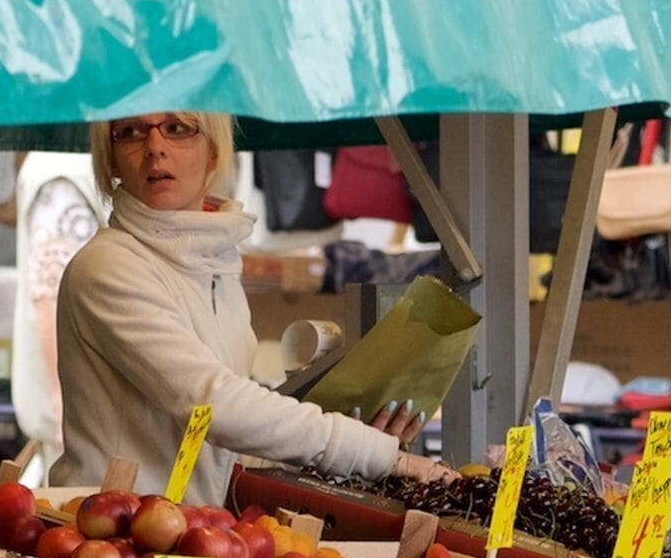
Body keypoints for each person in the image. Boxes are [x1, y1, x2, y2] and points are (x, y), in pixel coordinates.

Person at [50, 111, 439, 490]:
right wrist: (372, 454)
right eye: (131, 132)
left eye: (177, 128)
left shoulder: (213, 262)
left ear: (214, 151)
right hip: (113, 535)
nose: (154, 147)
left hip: (191, 535)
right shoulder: (109, 266)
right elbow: (213, 404)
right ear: (112, 158)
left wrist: (355, 437)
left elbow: (225, 448)